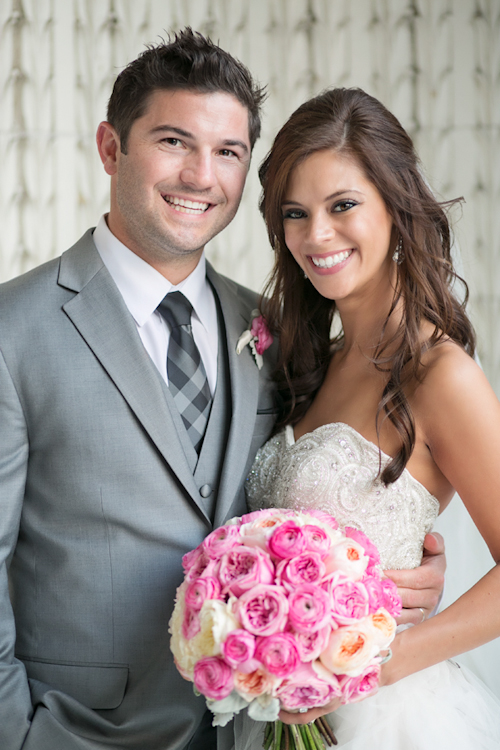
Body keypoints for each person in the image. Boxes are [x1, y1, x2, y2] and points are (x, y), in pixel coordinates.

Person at [0, 31, 445, 750]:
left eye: (229, 153)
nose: (201, 176)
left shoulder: (275, 329)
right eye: (174, 142)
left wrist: (385, 583)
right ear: (111, 147)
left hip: (257, 728)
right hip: (77, 731)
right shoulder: (11, 331)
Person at [237, 87, 500, 748]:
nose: (316, 235)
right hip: (276, 718)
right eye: (295, 213)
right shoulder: (307, 363)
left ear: (396, 205)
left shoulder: (438, 374)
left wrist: (370, 666)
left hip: (391, 718)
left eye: (343, 205)